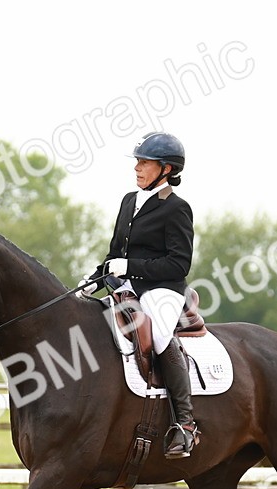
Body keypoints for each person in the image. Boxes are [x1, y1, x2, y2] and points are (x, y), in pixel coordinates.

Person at [85, 131, 198, 458]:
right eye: (137, 161)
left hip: (163, 291)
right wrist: (96, 278)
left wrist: (130, 265)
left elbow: (179, 264)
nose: (137, 168)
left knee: (160, 336)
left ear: (166, 169)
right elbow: (114, 253)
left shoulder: (177, 208)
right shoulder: (128, 201)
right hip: (126, 287)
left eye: (144, 163)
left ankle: (186, 424)